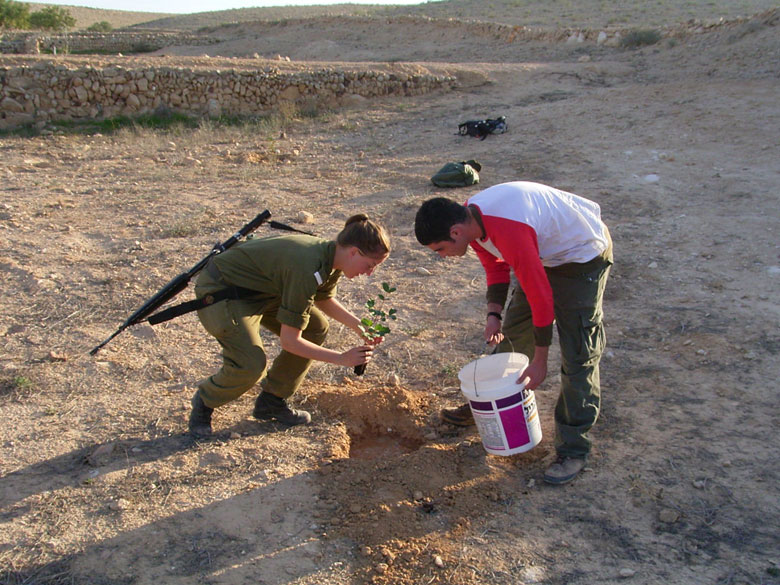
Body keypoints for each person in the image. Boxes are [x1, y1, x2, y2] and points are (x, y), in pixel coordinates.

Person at [414, 181, 613, 485]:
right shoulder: (472, 219)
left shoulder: (508, 229)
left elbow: (541, 297)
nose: (442, 256)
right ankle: (489, 405)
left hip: (581, 256)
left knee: (578, 353)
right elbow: (495, 266)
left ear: (455, 232)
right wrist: (494, 313)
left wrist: (540, 361)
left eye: (440, 249)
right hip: (544, 253)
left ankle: (573, 448)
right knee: (514, 331)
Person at [188, 214, 391, 438]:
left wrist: (359, 326)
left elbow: (322, 298)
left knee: (316, 327)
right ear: (354, 251)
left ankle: (272, 400)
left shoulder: (332, 258)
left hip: (263, 290)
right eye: (370, 265)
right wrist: (341, 359)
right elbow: (290, 341)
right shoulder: (306, 266)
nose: (370, 272)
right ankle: (205, 400)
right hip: (223, 292)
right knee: (251, 365)